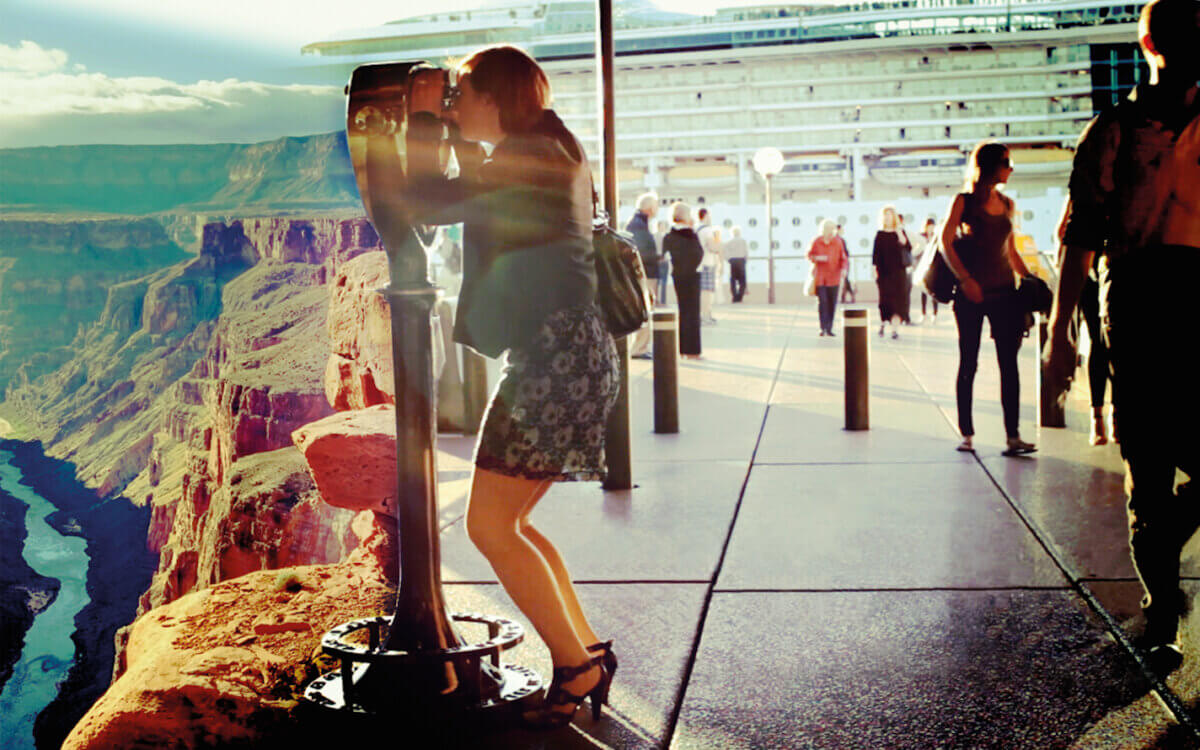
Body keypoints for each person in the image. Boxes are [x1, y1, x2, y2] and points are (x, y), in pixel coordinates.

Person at [404, 44, 618, 727]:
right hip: (569, 356)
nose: (454, 104)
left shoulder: (529, 158)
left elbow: (429, 202)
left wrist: (419, 124)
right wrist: (444, 127)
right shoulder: (547, 147)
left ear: (495, 96)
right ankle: (582, 650)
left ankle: (576, 665)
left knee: (490, 526)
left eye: (461, 92)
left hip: (555, 363)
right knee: (513, 521)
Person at [1045, 0, 1200, 671]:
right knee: (1148, 467)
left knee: (1165, 482)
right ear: (1150, 44)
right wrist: (1059, 337)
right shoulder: (1112, 129)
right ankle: (1162, 611)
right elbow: (1079, 237)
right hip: (1135, 299)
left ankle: (1163, 546)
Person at [940, 140, 1036, 457]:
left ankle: (1013, 436)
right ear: (991, 166)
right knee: (969, 361)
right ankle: (966, 434)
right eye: (1006, 162)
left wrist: (1030, 278)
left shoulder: (1007, 203)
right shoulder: (963, 201)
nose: (1011, 169)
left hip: (1005, 292)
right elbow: (944, 242)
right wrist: (965, 280)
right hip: (970, 294)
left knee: (1009, 364)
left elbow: (1010, 250)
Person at [664, 202, 704, 359]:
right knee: (693, 313)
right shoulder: (690, 234)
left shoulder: (669, 235)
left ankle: (682, 349)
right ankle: (693, 350)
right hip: (691, 276)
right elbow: (698, 254)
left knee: (683, 311)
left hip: (678, 275)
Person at [625, 193, 659, 360]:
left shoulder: (637, 223)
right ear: (650, 208)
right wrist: (656, 259)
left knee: (645, 309)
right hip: (645, 273)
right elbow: (641, 251)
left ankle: (640, 346)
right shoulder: (639, 225)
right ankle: (639, 348)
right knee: (645, 309)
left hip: (644, 271)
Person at [872, 205, 910, 339]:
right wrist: (874, 270)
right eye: (885, 215)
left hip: (899, 273)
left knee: (898, 301)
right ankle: (883, 323)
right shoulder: (880, 234)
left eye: (890, 214)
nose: (887, 217)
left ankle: (895, 329)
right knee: (885, 300)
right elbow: (875, 255)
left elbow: (906, 245)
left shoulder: (900, 232)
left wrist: (899, 231)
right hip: (884, 273)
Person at [808, 219, 848, 336]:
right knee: (823, 302)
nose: (831, 232)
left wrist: (844, 269)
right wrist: (817, 258)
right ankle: (823, 327)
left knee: (832, 302)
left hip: (834, 277)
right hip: (820, 277)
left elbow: (843, 258)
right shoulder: (816, 241)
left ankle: (829, 328)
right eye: (828, 229)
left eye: (832, 229)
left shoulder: (838, 242)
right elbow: (809, 254)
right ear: (823, 230)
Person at [696, 207, 720, 323]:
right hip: (707, 263)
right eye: (709, 215)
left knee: (703, 291)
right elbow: (713, 247)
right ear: (705, 216)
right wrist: (718, 244)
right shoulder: (707, 230)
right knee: (707, 291)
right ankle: (706, 315)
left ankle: (704, 315)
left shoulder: (697, 229)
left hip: (700, 264)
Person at [916, 217, 939, 322]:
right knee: (923, 291)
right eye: (928, 226)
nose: (930, 229)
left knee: (934, 291)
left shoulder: (937, 237)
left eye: (932, 226)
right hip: (923, 267)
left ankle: (934, 314)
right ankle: (923, 313)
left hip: (934, 267)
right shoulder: (921, 237)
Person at [723, 226, 749, 302]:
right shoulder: (743, 241)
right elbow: (746, 251)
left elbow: (725, 252)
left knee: (733, 279)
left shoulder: (728, 242)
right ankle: (740, 297)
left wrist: (728, 259)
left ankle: (734, 296)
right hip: (741, 260)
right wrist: (745, 260)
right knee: (742, 280)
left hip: (732, 261)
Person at [837, 224, 856, 303]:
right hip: (843, 262)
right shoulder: (839, 240)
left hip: (843, 263)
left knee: (844, 280)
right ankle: (848, 295)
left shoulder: (840, 240)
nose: (842, 231)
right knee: (845, 280)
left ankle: (844, 297)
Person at [654, 218, 671, 305]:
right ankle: (659, 301)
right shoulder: (658, 236)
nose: (663, 227)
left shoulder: (662, 235)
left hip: (663, 260)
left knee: (662, 281)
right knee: (660, 281)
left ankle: (662, 301)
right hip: (660, 259)